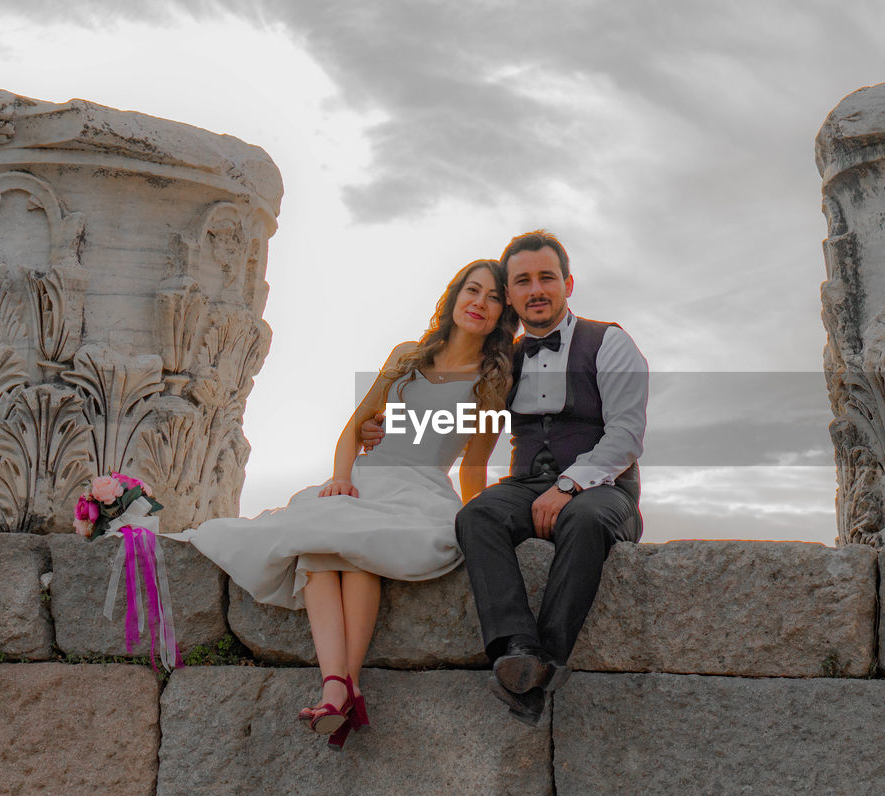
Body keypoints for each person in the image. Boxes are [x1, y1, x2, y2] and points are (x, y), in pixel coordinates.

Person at [180, 259, 516, 749]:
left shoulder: (492, 380)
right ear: (454, 296)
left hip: (421, 492)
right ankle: (340, 686)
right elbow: (354, 429)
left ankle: (339, 687)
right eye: (472, 290)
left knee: (358, 549)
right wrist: (340, 479)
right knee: (322, 541)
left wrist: (482, 521)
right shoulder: (408, 355)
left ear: (502, 313)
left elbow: (472, 467)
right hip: (365, 479)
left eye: (492, 297)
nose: (479, 303)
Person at [365, 230, 647, 726]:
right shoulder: (503, 364)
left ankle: (548, 661)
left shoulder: (610, 342)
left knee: (582, 524)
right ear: (512, 296)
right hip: (525, 485)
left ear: (568, 283)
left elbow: (625, 435)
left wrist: (569, 485)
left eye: (546, 277)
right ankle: (516, 647)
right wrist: (386, 426)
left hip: (603, 488)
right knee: (477, 516)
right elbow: (468, 432)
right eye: (523, 281)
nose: (536, 289)